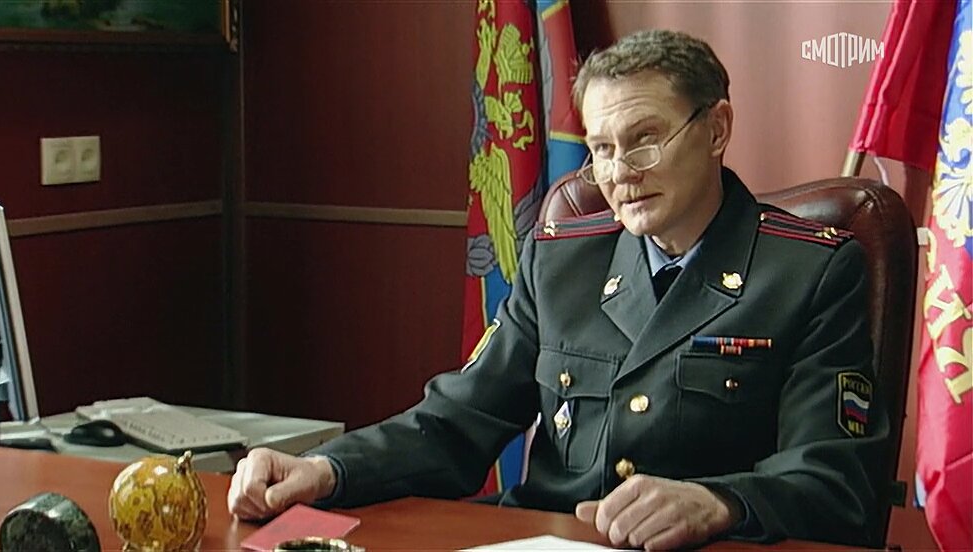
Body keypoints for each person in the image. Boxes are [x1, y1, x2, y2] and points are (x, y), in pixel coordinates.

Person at [228, 29, 888, 550]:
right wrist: (326, 470)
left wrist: (721, 503)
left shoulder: (810, 272)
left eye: (645, 141)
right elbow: (458, 422)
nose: (620, 173)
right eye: (601, 149)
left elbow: (837, 483)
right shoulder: (563, 259)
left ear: (716, 129)